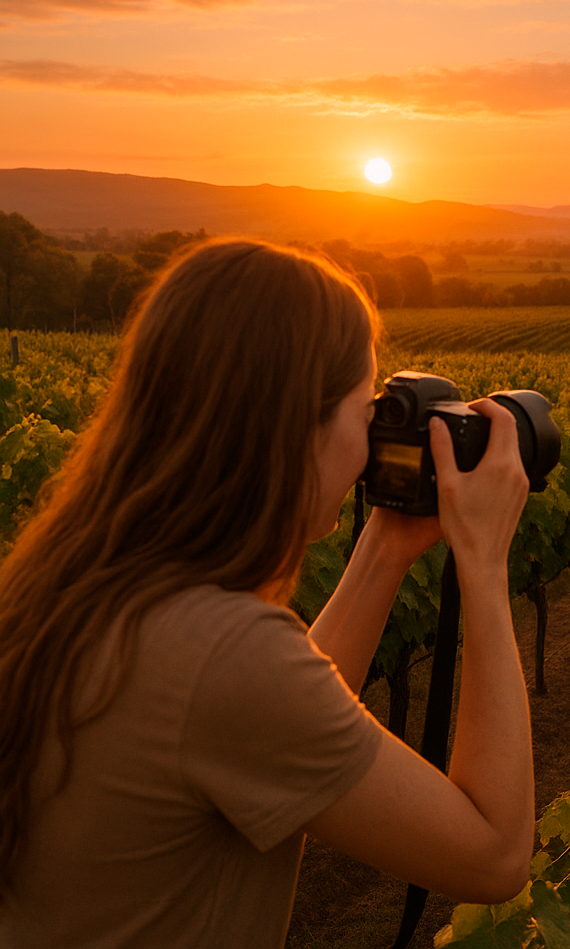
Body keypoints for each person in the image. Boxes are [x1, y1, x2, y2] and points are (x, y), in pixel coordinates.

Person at [0, 240, 535, 947]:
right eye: (364, 411)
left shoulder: (78, 586)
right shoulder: (220, 653)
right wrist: (484, 564)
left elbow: (279, 714)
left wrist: (385, 546)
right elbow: (495, 856)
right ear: (294, 426)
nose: (372, 443)